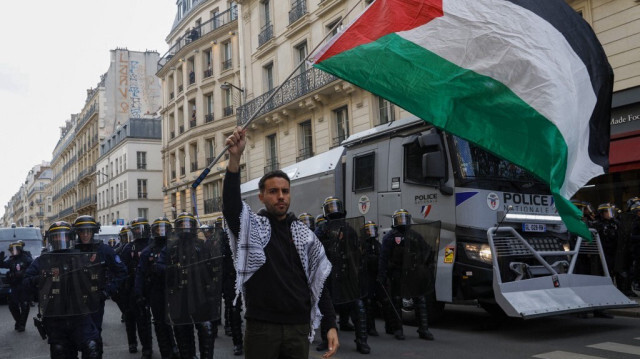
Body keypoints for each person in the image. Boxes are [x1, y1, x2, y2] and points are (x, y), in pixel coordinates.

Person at [223, 126, 339, 359]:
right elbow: (231, 208)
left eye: (285, 191)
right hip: (262, 328)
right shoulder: (252, 229)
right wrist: (234, 160)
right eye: (273, 191)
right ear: (262, 196)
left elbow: (318, 282)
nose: (281, 196)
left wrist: (330, 324)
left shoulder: (305, 235)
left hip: (297, 328)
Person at [22, 221, 102, 358]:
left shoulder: (80, 257)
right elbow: (26, 282)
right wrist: (42, 278)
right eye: (57, 237)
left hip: (80, 314)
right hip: (55, 316)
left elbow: (96, 279)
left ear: (69, 238)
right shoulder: (43, 260)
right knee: (60, 352)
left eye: (64, 236)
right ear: (52, 239)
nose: (60, 240)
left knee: (92, 349)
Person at [314, 196, 370, 354]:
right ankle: (326, 340)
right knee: (326, 309)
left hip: (347, 274)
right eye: (330, 207)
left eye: (335, 206)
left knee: (358, 307)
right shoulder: (322, 229)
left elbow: (357, 249)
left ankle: (362, 341)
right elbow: (315, 250)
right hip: (328, 275)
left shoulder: (349, 229)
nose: (333, 210)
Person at [166, 212, 218, 359]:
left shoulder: (201, 245)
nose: (185, 227)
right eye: (182, 224)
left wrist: (211, 288)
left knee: (205, 328)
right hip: (179, 294)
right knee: (182, 330)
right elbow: (166, 271)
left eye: (188, 224)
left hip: (199, 293)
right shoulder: (172, 248)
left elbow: (211, 268)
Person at [379, 209, 435, 341]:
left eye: (404, 219)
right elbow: (383, 257)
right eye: (399, 219)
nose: (402, 222)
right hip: (397, 273)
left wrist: (427, 265)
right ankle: (397, 329)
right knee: (397, 300)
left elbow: (426, 250)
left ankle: (424, 329)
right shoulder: (390, 237)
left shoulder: (415, 236)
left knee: (420, 299)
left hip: (413, 272)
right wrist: (381, 275)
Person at [72, 216, 128, 340]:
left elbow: (122, 271)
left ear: (93, 232)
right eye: (82, 231)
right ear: (78, 233)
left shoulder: (104, 250)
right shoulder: (72, 251)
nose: (85, 235)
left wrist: (108, 290)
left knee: (94, 337)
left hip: (95, 299)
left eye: (88, 231)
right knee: (76, 337)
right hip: (76, 301)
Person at [135, 217, 180, 359]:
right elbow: (140, 272)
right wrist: (139, 292)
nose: (161, 232)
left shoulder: (175, 247)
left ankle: (175, 347)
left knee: (177, 322)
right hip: (156, 290)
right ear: (153, 231)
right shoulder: (148, 251)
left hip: (174, 289)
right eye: (158, 229)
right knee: (160, 323)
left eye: (164, 229)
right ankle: (165, 352)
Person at [209, 217, 244, 356]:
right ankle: (234, 340)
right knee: (223, 306)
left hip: (237, 277)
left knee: (236, 310)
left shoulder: (242, 234)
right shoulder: (222, 237)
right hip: (224, 277)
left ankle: (239, 341)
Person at [120, 217, 154, 357]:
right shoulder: (129, 247)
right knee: (131, 316)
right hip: (133, 286)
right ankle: (132, 343)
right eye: (136, 229)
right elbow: (122, 268)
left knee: (145, 319)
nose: (139, 232)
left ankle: (147, 347)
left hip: (150, 285)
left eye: (141, 229)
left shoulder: (152, 244)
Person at [0, 241, 33, 332]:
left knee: (24, 305)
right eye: (12, 250)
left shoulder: (26, 259)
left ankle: (22, 324)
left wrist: (25, 274)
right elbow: (3, 265)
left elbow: (33, 268)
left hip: (24, 285)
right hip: (14, 285)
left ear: (20, 250)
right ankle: (18, 321)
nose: (13, 252)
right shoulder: (11, 260)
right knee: (12, 305)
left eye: (15, 250)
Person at [362, 221, 382, 337]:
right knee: (368, 302)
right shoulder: (363, 244)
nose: (370, 232)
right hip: (367, 276)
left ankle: (392, 327)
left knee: (383, 300)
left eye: (372, 230)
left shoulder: (378, 244)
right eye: (368, 230)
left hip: (377, 275)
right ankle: (370, 327)